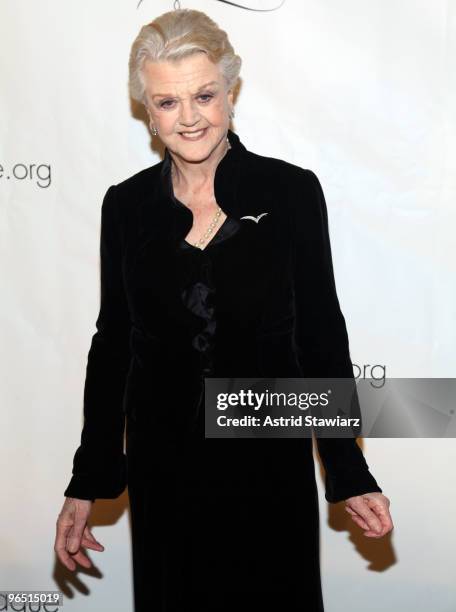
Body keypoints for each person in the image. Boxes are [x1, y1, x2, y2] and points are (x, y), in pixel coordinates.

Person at [54, 8, 393, 612]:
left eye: (204, 96)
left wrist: (347, 469)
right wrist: (90, 479)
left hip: (267, 458)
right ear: (146, 108)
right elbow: (114, 345)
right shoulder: (126, 205)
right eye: (166, 103)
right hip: (165, 467)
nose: (189, 119)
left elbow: (320, 336)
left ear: (230, 91)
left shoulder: (289, 192)